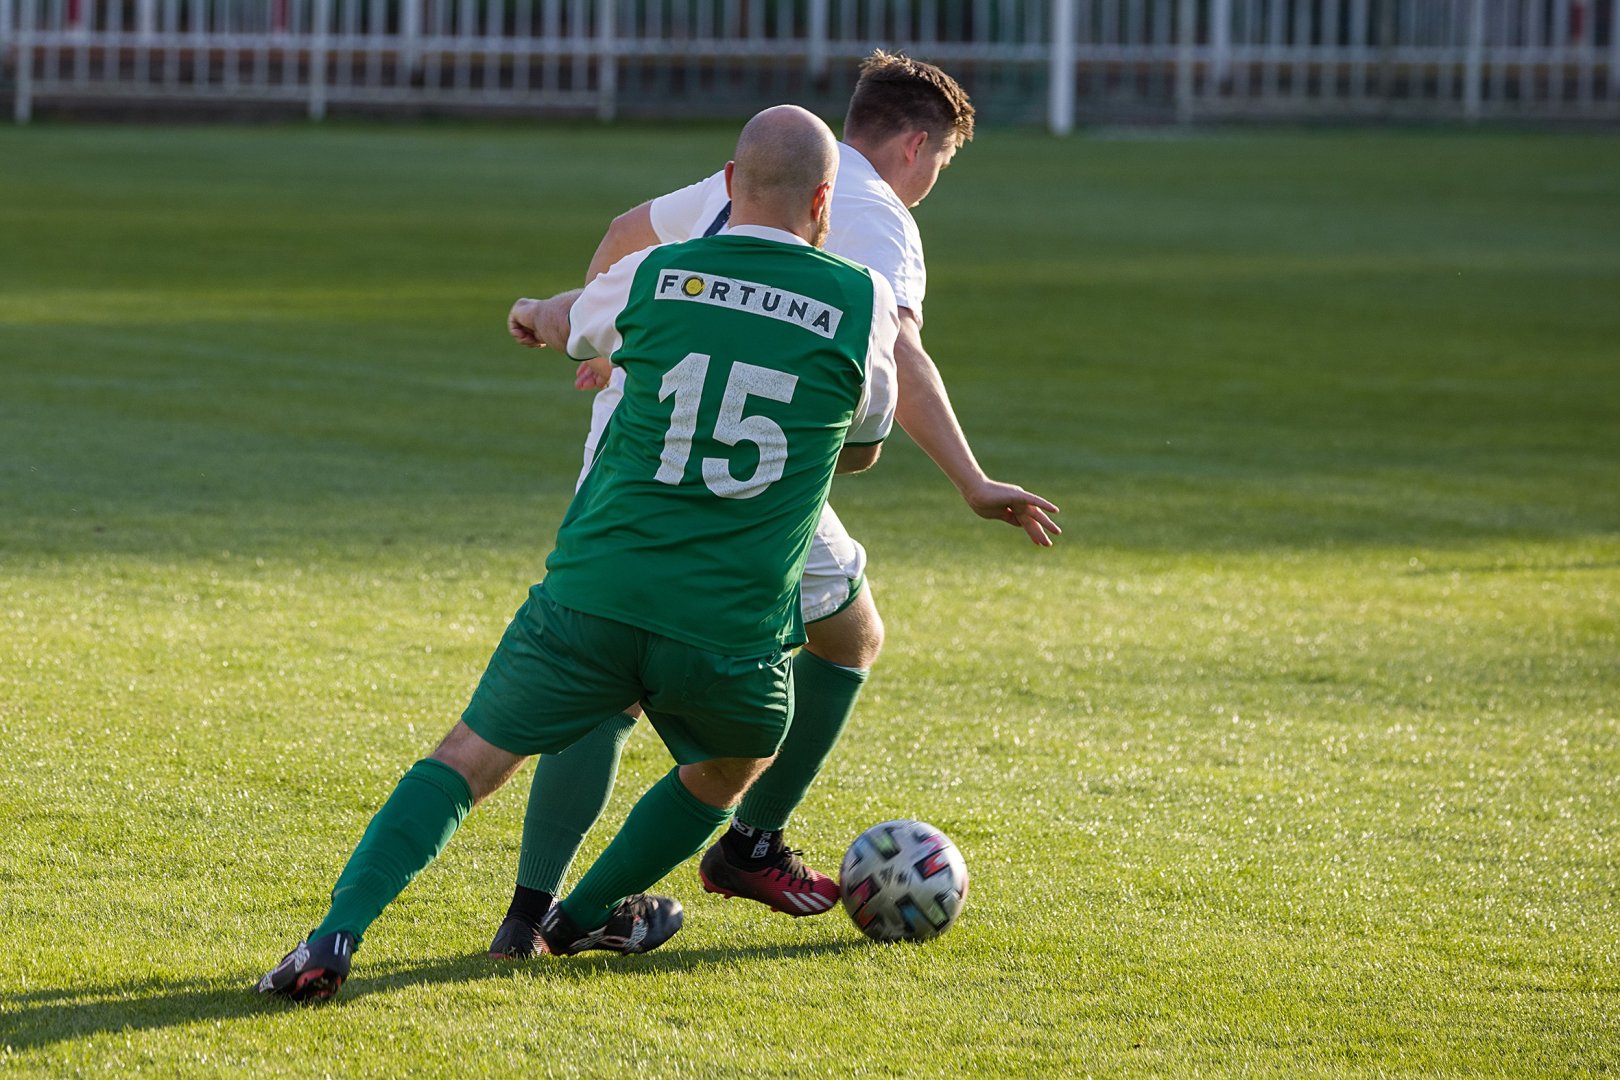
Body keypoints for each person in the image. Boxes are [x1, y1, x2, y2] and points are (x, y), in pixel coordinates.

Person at [257, 104, 899, 1002]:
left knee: (468, 758)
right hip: (730, 627)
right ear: (825, 200)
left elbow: (569, 322)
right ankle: (581, 914)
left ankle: (332, 937)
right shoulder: (864, 303)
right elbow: (862, 449)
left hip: (596, 592)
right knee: (738, 757)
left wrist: (532, 312)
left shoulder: (657, 274)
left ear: (729, 183)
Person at [488, 52, 1059, 959]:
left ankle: (528, 913)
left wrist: (601, 341)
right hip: (743, 468)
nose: (932, 182)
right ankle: (747, 846)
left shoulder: (758, 175)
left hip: (635, 443)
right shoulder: (875, 213)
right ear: (918, 146)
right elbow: (900, 359)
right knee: (849, 636)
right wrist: (972, 480)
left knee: (607, 666)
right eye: (942, 163)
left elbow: (628, 231)